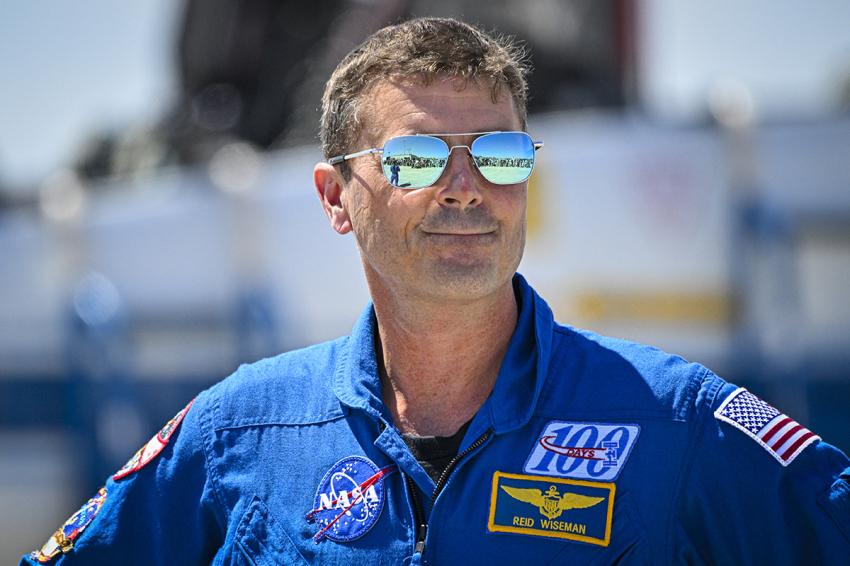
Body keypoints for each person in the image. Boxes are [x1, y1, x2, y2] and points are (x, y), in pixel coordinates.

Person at [23, 17, 850, 566]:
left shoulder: (673, 422)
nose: (466, 186)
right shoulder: (241, 430)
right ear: (333, 199)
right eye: (418, 160)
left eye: (499, 155)